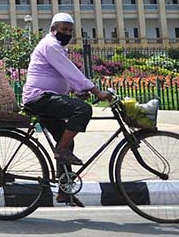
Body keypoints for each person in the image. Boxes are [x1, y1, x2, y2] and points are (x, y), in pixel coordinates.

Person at [22, 12, 112, 205]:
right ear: (53, 30)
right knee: (83, 111)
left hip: (46, 98)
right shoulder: (51, 45)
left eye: (70, 30)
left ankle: (64, 191)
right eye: (64, 29)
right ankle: (61, 149)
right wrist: (96, 92)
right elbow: (71, 71)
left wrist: (78, 90)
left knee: (66, 139)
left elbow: (62, 75)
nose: (67, 33)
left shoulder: (56, 47)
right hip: (40, 98)